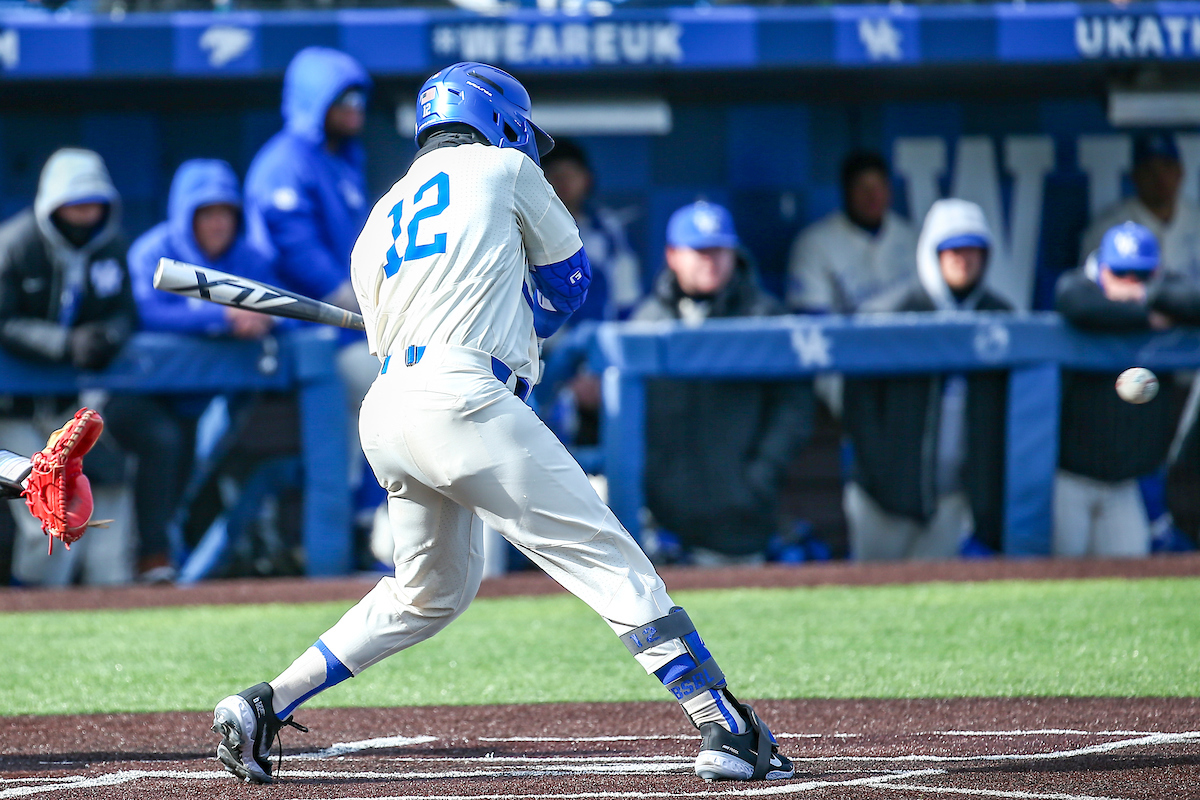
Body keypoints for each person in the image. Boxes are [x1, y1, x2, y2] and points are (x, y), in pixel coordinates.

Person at [210, 62, 795, 786]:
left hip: (390, 412)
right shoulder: (505, 169)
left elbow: (388, 336)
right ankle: (726, 724)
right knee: (607, 556)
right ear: (495, 118)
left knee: (429, 592)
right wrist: (524, 320)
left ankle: (265, 704)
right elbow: (569, 282)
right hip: (463, 397)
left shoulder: (378, 216)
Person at [244, 45, 383, 552]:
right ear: (313, 101)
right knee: (392, 389)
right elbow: (295, 249)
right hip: (302, 328)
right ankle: (359, 527)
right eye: (343, 99)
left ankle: (363, 524)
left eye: (359, 99)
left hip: (346, 325)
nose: (355, 109)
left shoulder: (340, 159)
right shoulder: (285, 162)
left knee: (372, 417)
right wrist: (359, 299)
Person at [632, 201, 813, 565]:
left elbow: (794, 408)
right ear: (672, 255)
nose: (711, 261)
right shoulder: (647, 320)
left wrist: (758, 478)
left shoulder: (764, 316)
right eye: (699, 251)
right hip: (663, 522)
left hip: (740, 521)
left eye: (719, 250)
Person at [126, 159, 277, 578]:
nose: (218, 223)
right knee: (165, 449)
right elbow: (147, 313)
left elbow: (279, 310)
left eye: (226, 212)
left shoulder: (248, 256)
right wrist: (223, 316)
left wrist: (264, 320)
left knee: (223, 472)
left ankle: (208, 568)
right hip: (147, 395)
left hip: (219, 396)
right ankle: (154, 558)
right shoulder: (152, 251)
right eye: (207, 213)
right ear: (186, 215)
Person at [0, 148, 143, 585]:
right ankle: (34, 602)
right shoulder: (15, 244)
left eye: (93, 203)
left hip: (74, 407)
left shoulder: (111, 246)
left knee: (97, 498)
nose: (85, 214)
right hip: (13, 409)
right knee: (43, 511)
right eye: (74, 204)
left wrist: (107, 337)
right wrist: (64, 343)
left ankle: (100, 598)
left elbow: (125, 312)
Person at [842, 199, 1012, 560]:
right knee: (872, 590)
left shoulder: (1001, 317)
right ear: (932, 253)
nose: (963, 259)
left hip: (952, 499)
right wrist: (882, 475)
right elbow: (859, 407)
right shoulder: (887, 315)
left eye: (973, 249)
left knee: (937, 591)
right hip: (883, 501)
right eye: (952, 250)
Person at [1055, 221, 1200, 557]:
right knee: (1057, 573)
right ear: (1102, 268)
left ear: (1156, 272)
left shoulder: (1164, 289)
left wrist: (1147, 295)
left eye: (1141, 275)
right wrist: (1145, 315)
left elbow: (1193, 300)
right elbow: (1075, 302)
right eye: (1120, 273)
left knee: (1130, 573)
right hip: (1070, 479)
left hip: (1123, 485)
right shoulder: (1080, 287)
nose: (1131, 282)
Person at [537, 138, 643, 459]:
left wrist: (600, 368)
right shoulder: (530, 229)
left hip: (605, 361)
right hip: (548, 364)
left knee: (619, 447)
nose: (564, 183)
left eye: (571, 174)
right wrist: (568, 373)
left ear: (587, 179)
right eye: (555, 174)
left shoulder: (607, 231)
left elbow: (627, 307)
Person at [787, 151, 917, 315]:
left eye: (879, 187)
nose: (873, 196)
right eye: (863, 188)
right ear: (846, 191)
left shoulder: (912, 237)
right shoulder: (813, 243)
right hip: (843, 332)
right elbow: (810, 318)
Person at [1080, 132, 1200, 282]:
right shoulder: (1107, 229)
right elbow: (1088, 286)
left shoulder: (1196, 220)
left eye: (1167, 166)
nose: (1160, 177)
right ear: (1134, 176)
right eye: (1149, 169)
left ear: (1180, 172)